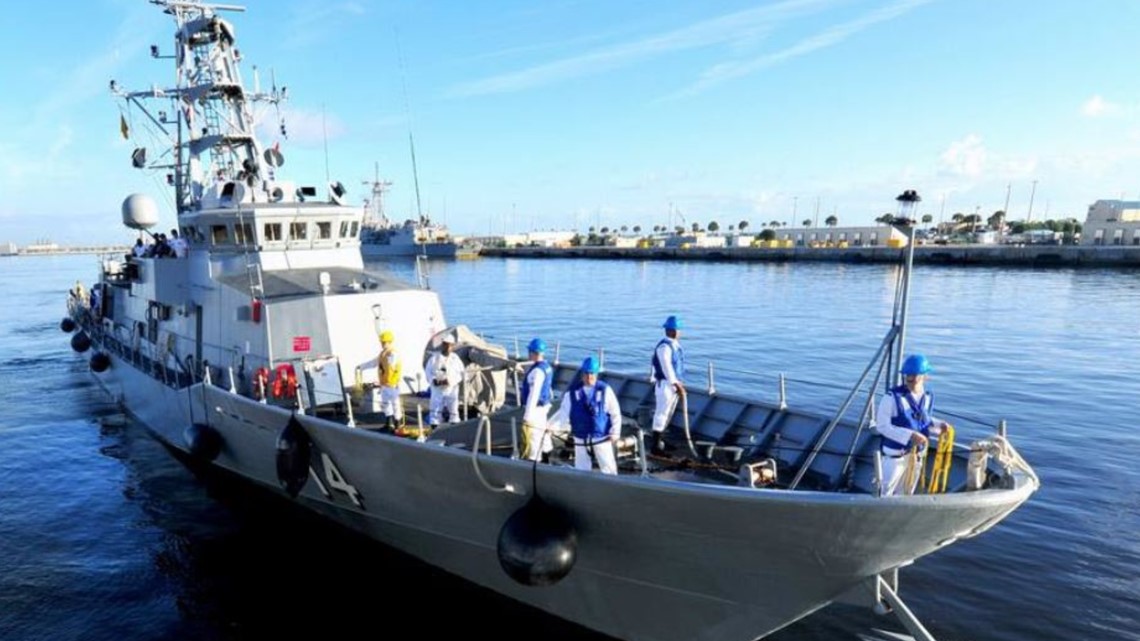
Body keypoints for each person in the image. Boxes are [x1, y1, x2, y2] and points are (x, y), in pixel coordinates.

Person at [873, 353, 950, 496]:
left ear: (925, 376)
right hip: (895, 457)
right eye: (908, 375)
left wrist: (940, 425)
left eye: (915, 376)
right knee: (884, 494)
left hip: (916, 457)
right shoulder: (891, 398)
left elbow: (924, 420)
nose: (910, 379)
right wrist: (910, 435)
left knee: (906, 493)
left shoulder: (928, 397)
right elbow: (882, 426)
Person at [548, 356, 622, 475]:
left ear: (597, 374)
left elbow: (615, 413)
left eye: (592, 373)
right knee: (581, 468)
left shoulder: (605, 391)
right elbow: (563, 414)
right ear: (582, 373)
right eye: (586, 373)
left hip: (601, 437)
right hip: (580, 437)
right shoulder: (571, 393)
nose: (589, 377)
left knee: (609, 468)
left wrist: (615, 432)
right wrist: (551, 427)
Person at [650, 315, 685, 454]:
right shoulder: (664, 347)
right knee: (661, 413)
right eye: (678, 329)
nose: (680, 332)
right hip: (665, 385)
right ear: (673, 331)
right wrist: (676, 384)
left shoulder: (675, 346)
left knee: (668, 414)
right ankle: (655, 446)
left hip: (672, 385)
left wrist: (678, 383)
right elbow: (666, 367)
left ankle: (661, 441)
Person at [519, 338, 553, 462]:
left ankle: (534, 462)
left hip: (536, 410)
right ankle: (546, 457)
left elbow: (533, 395)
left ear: (533, 352)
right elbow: (548, 388)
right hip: (544, 406)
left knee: (533, 437)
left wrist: (527, 415)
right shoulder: (547, 367)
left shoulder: (537, 371)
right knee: (543, 432)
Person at [425, 335, 465, 428]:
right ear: (442, 344)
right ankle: (434, 428)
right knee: (435, 408)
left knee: (453, 409)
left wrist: (450, 381)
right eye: (446, 345)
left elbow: (461, 374)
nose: (447, 347)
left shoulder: (455, 359)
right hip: (437, 389)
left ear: (453, 346)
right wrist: (433, 380)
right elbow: (428, 372)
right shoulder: (434, 359)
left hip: (451, 389)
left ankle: (454, 427)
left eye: (450, 345)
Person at [377, 330, 403, 430]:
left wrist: (389, 358)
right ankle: (389, 422)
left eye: (384, 342)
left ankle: (398, 424)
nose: (382, 344)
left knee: (395, 404)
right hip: (384, 384)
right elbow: (376, 363)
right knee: (386, 403)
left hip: (392, 384)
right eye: (382, 342)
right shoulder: (383, 354)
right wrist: (361, 367)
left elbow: (392, 364)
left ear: (390, 342)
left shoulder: (393, 354)